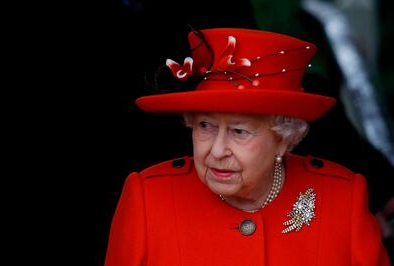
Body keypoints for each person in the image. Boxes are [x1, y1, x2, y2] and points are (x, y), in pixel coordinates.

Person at [104, 27, 390, 265]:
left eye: (239, 131)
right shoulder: (147, 199)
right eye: (205, 126)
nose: (216, 151)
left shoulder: (343, 199)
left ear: (284, 138)